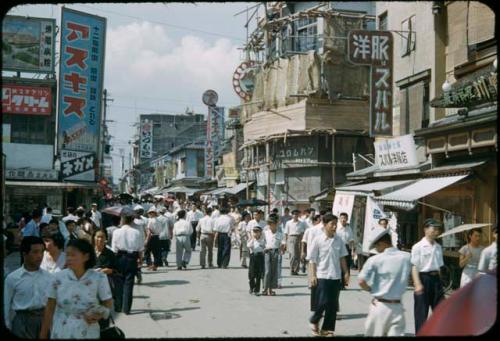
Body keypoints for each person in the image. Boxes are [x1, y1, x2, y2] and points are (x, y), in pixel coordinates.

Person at [39, 239, 113, 339]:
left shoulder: (99, 278)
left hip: (88, 332)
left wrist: (99, 314)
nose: (68, 258)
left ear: (86, 257)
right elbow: (49, 309)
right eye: (67, 255)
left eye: (73, 255)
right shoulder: (57, 278)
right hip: (61, 331)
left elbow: (108, 304)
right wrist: (43, 335)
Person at [358, 227, 412, 336]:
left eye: (376, 246)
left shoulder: (375, 260)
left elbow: (361, 281)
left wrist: (370, 289)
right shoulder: (406, 257)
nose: (376, 250)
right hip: (397, 308)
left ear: (381, 243)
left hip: (380, 306)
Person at [308, 213, 349, 337]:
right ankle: (314, 320)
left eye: (336, 224)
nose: (335, 226)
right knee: (323, 302)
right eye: (332, 224)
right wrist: (312, 275)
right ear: (325, 225)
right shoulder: (318, 240)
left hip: (335, 276)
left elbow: (342, 257)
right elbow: (312, 260)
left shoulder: (339, 240)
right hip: (322, 275)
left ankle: (327, 329)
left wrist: (346, 273)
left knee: (332, 304)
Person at [4, 236, 52, 338]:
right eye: (35, 252)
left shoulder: (49, 277)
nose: (40, 256)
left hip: (44, 320)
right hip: (22, 321)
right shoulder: (13, 278)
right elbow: (6, 305)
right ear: (24, 254)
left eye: (42, 252)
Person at [411, 218, 445, 334]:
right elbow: (414, 266)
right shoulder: (418, 246)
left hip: (436, 281)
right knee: (421, 313)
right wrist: (417, 284)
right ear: (425, 229)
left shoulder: (438, 247)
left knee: (441, 311)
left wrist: (441, 284)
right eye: (434, 229)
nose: (436, 231)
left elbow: (439, 267)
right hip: (423, 279)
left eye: (438, 229)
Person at [111, 207, 144, 314]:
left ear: (123, 220)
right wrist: (140, 260)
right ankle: (126, 309)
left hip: (119, 257)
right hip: (132, 258)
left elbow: (114, 249)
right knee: (129, 284)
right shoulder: (136, 232)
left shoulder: (116, 232)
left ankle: (118, 306)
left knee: (119, 283)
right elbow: (140, 249)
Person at [93, 230, 122, 314]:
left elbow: (118, 269)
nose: (100, 239)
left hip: (105, 282)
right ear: (94, 238)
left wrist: (110, 270)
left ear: (106, 239)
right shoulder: (89, 253)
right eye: (98, 237)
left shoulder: (110, 254)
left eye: (102, 237)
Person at [262, 214, 285, 296]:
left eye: (273, 224)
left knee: (273, 271)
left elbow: (282, 243)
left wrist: (281, 249)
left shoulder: (279, 234)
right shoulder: (265, 233)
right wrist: (263, 249)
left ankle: (271, 289)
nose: (271, 226)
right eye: (270, 224)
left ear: (276, 224)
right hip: (267, 252)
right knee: (267, 271)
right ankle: (265, 289)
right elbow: (262, 242)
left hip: (275, 252)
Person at [284, 209, 308, 275]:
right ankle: (291, 268)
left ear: (298, 215)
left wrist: (303, 240)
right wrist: (285, 243)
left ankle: (296, 270)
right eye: (294, 214)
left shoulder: (302, 223)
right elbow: (286, 233)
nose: (295, 215)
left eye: (297, 214)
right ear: (292, 215)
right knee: (293, 254)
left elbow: (304, 232)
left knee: (298, 255)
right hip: (291, 238)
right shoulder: (288, 223)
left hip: (299, 238)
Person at [336, 212, 355, 289]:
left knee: (346, 265)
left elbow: (351, 240)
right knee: (338, 265)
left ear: (347, 219)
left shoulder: (349, 228)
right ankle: (338, 283)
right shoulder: (336, 227)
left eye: (345, 218)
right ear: (339, 219)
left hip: (347, 248)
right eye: (342, 218)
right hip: (337, 247)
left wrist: (353, 250)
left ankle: (344, 283)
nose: (343, 220)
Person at [247, 224, 266, 295]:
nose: (256, 233)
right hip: (253, 257)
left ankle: (257, 290)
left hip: (260, 257)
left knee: (258, 274)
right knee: (251, 274)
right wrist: (252, 238)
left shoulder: (263, 240)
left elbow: (265, 247)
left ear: (260, 233)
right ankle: (252, 287)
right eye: (254, 232)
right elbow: (248, 245)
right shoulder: (251, 240)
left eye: (257, 232)